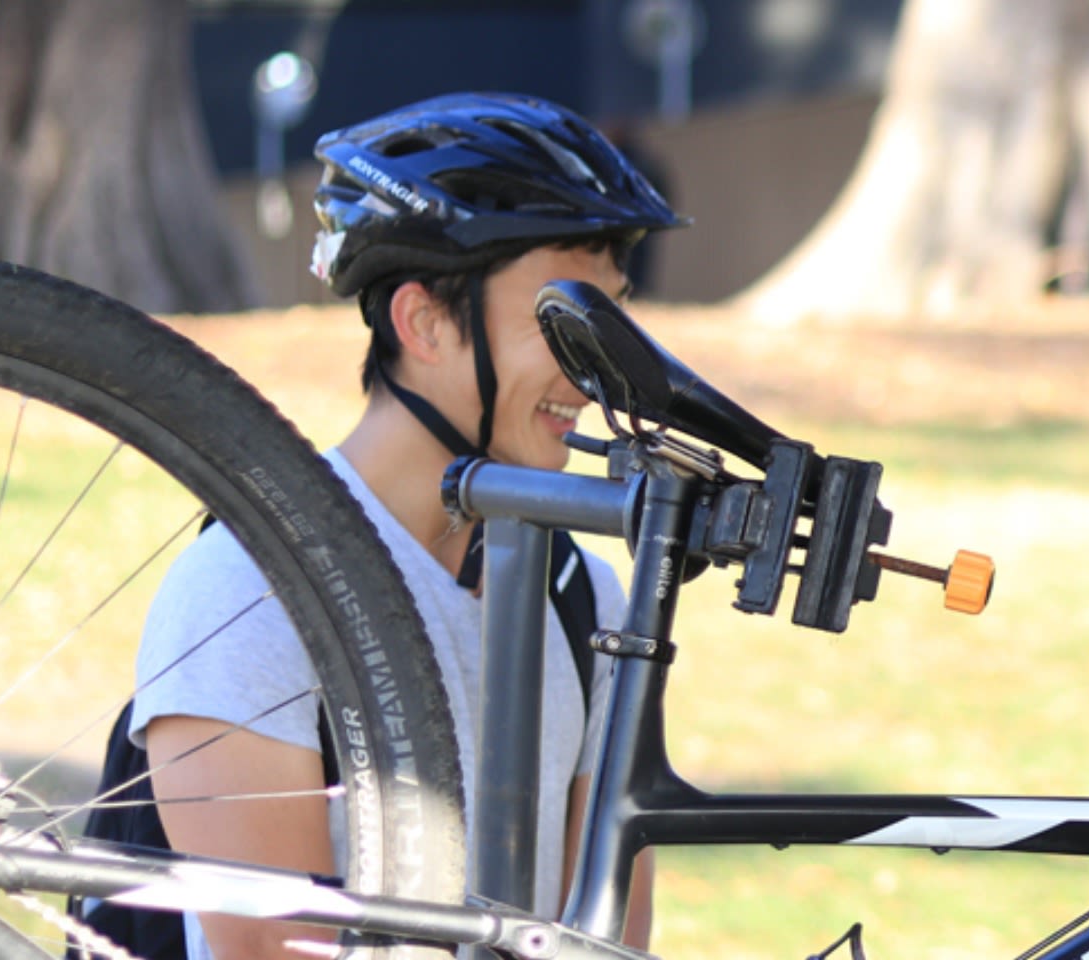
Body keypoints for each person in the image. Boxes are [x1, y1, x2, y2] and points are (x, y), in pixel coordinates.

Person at [125, 92, 685, 960]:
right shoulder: (249, 589)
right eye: (564, 319)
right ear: (423, 322)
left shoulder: (584, 599)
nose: (601, 375)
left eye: (613, 317)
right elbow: (274, 953)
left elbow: (611, 942)